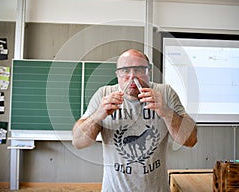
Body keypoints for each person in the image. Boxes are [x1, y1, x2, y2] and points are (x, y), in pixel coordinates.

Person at [72, 49, 197, 192]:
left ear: (148, 72)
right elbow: (78, 142)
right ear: (117, 74)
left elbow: (191, 140)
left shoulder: (165, 93)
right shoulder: (104, 94)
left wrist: (166, 111)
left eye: (138, 69)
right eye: (125, 70)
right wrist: (98, 115)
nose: (132, 77)